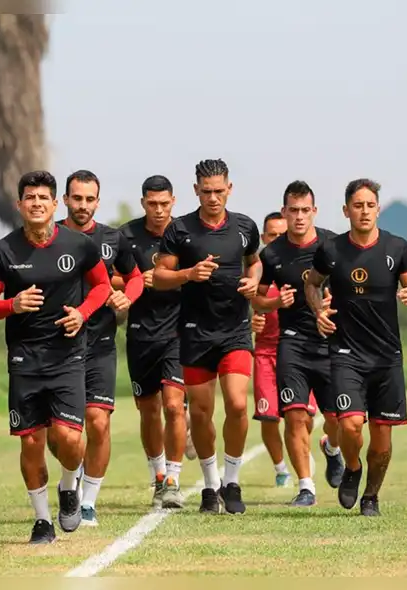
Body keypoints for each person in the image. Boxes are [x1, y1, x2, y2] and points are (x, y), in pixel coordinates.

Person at [0, 170, 112, 544]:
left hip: (68, 356)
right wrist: (12, 304)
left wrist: (82, 313)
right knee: (32, 441)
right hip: (24, 360)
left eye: (43, 198)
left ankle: (69, 486)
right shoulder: (2, 251)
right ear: (19, 205)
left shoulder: (79, 245)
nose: (36, 203)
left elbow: (102, 286)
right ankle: (41, 521)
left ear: (56, 204)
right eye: (29, 197)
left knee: (70, 440)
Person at [304, 178, 407, 517]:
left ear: (378, 208)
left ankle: (371, 495)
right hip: (346, 354)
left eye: (370, 205)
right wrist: (318, 311)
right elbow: (312, 284)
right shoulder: (331, 250)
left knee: (383, 440)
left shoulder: (397, 248)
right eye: (358, 205)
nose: (365, 211)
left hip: (386, 357)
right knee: (351, 425)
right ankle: (353, 468)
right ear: (346, 211)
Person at [152, 159, 261, 515]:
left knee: (238, 403)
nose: (213, 197)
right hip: (195, 333)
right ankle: (210, 486)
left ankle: (232, 481)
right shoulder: (179, 229)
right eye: (207, 191)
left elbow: (254, 260)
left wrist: (254, 280)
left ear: (229, 188)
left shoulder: (245, 226)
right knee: (200, 413)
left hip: (234, 331)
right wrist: (189, 273)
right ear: (196, 190)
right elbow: (159, 275)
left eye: (219, 190)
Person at [57, 170, 145, 526]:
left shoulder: (112, 238)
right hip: (58, 346)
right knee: (63, 433)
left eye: (89, 199)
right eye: (76, 198)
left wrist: (127, 297)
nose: (83, 205)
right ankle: (69, 481)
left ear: (98, 201)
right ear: (65, 200)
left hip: (101, 343)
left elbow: (136, 277)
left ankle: (88, 501)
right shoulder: (51, 236)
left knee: (98, 422)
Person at [252, 182, 344, 508]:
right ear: (284, 213)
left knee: (338, 418)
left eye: (306, 210)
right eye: (294, 211)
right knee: (292, 415)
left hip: (331, 342)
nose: (300, 217)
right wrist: (276, 304)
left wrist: (337, 299)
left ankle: (331, 448)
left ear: (314, 212)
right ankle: (306, 487)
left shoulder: (334, 243)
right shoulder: (273, 254)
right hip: (292, 343)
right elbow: (259, 299)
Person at [117, 174, 192, 511]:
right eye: (152, 204)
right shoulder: (127, 236)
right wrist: (135, 280)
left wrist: (167, 279)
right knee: (148, 411)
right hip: (140, 334)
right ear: (143, 202)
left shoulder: (186, 235)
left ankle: (174, 480)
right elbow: (109, 275)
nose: (159, 210)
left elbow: (200, 278)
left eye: (165, 203)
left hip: (178, 332)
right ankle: (158, 476)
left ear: (174, 201)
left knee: (174, 406)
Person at [249, 212, 294, 488]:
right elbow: (247, 303)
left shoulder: (302, 265)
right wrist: (251, 321)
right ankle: (281, 470)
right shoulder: (257, 270)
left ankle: (325, 448)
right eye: (271, 235)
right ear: (264, 238)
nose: (276, 239)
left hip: (297, 350)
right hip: (265, 352)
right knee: (268, 417)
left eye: (281, 234)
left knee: (301, 415)